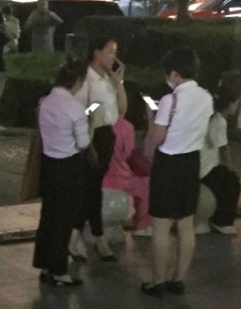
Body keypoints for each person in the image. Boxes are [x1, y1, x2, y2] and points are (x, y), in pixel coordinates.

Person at [142, 47, 212, 297]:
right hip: (191, 163)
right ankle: (178, 279)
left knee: (161, 226)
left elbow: (157, 138)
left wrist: (151, 116)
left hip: (169, 164)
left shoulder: (171, 100)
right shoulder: (206, 97)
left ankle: (157, 281)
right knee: (185, 224)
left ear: (174, 73)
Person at [33, 59, 89, 288]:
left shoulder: (45, 102)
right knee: (64, 219)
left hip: (48, 165)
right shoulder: (75, 108)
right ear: (77, 81)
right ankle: (59, 271)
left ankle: (45, 265)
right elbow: (84, 143)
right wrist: (90, 123)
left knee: (48, 216)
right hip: (68, 166)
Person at [71, 37, 127, 263]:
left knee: (92, 189)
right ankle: (96, 237)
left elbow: (122, 111)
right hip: (91, 135)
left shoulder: (107, 78)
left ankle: (80, 237)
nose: (114, 56)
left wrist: (118, 83)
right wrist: (93, 112)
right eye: (110, 51)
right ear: (97, 52)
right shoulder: (86, 77)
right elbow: (78, 110)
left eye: (115, 52)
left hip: (106, 135)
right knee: (91, 190)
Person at [200, 85, 241, 235]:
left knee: (225, 180)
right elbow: (224, 148)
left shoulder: (210, 117)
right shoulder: (219, 121)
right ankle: (222, 221)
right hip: (206, 168)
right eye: (236, 103)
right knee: (232, 183)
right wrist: (231, 168)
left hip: (202, 166)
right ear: (230, 104)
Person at [102, 116, 152, 236]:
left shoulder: (91, 122)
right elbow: (128, 153)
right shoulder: (125, 126)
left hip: (100, 177)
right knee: (147, 184)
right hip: (120, 176)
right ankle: (141, 226)